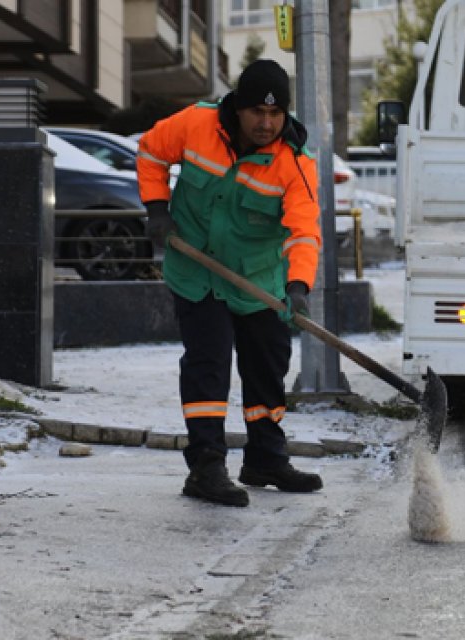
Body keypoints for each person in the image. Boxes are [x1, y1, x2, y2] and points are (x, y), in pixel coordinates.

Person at [136, 59, 324, 507]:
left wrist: (298, 286)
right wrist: (157, 207)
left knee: (267, 365)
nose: (266, 122)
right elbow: (150, 150)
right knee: (209, 362)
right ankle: (206, 466)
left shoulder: (295, 164)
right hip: (198, 270)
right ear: (238, 108)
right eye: (257, 111)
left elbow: (303, 231)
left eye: (275, 114)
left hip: (258, 277)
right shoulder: (197, 124)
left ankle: (265, 458)